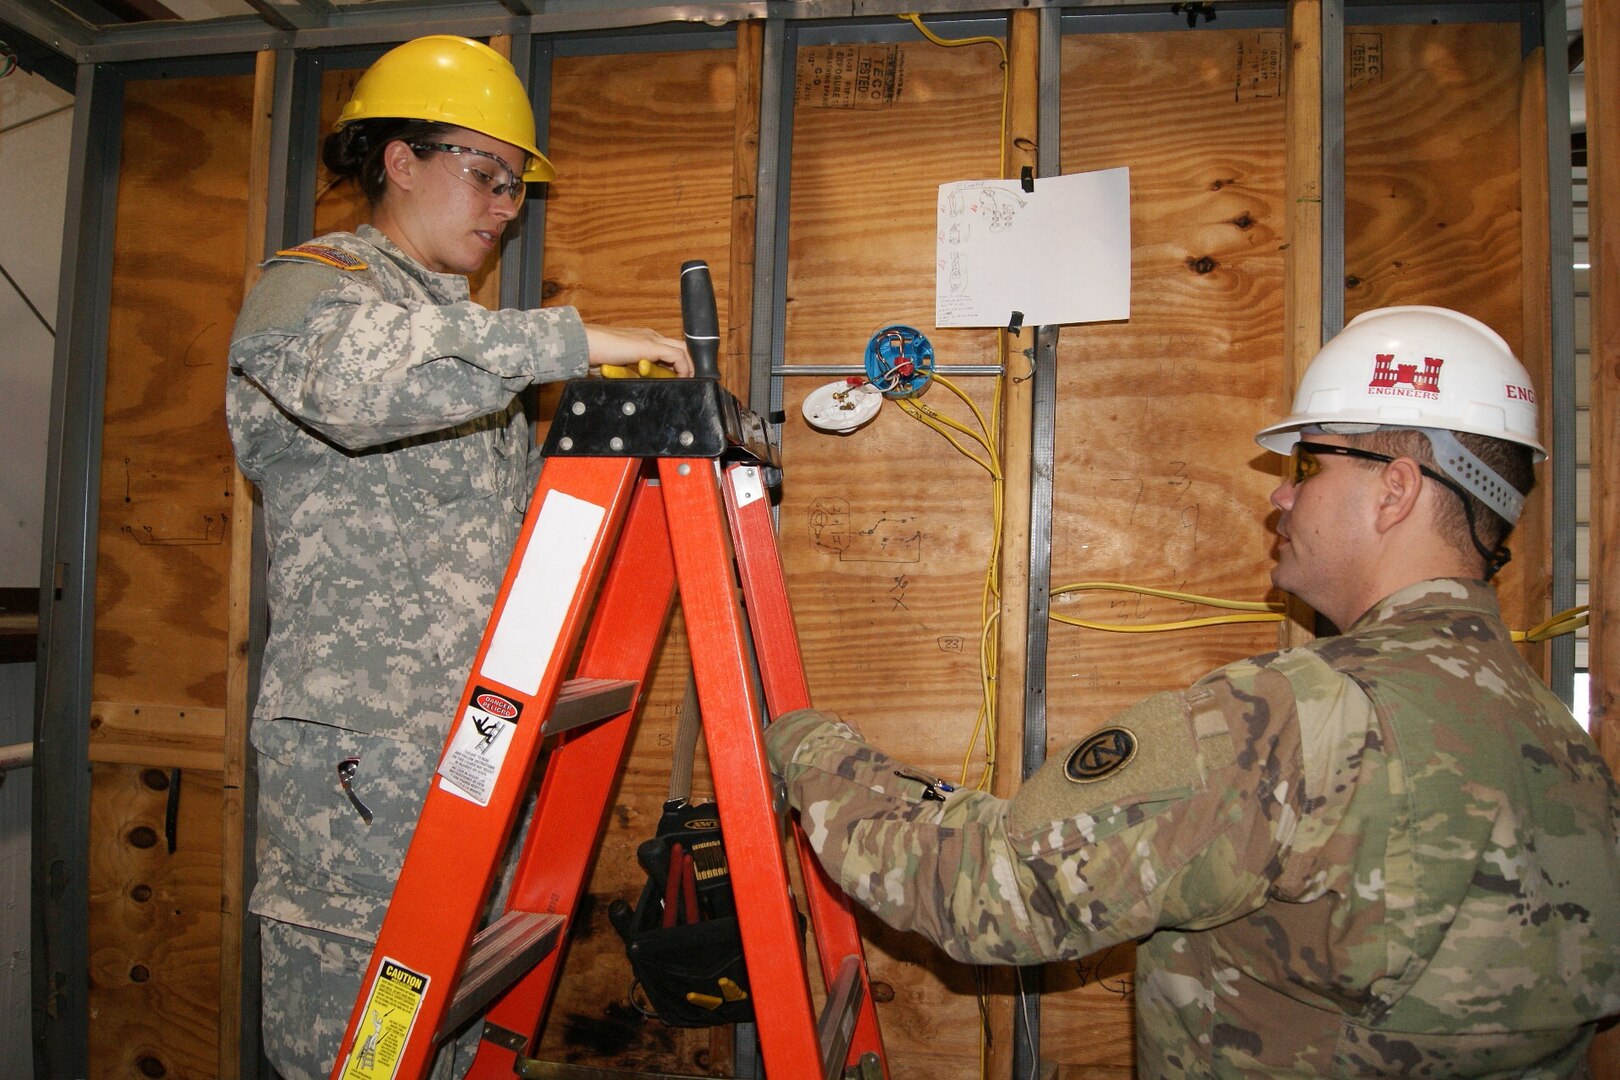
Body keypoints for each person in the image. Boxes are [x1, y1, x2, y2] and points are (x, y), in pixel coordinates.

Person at [766, 306, 1620, 1077]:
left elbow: (989, 888)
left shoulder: (1288, 720)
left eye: (1310, 464)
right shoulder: (1569, 750)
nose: (1283, 493)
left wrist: (803, 748)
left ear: (1393, 490)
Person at [226, 35, 691, 1080]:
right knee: (358, 1037)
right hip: (363, 764)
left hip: (480, 747)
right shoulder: (312, 291)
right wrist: (576, 343)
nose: (503, 206)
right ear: (398, 159)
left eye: (516, 189)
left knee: (448, 1022)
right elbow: (356, 387)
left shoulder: (468, 346)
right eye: (485, 174)